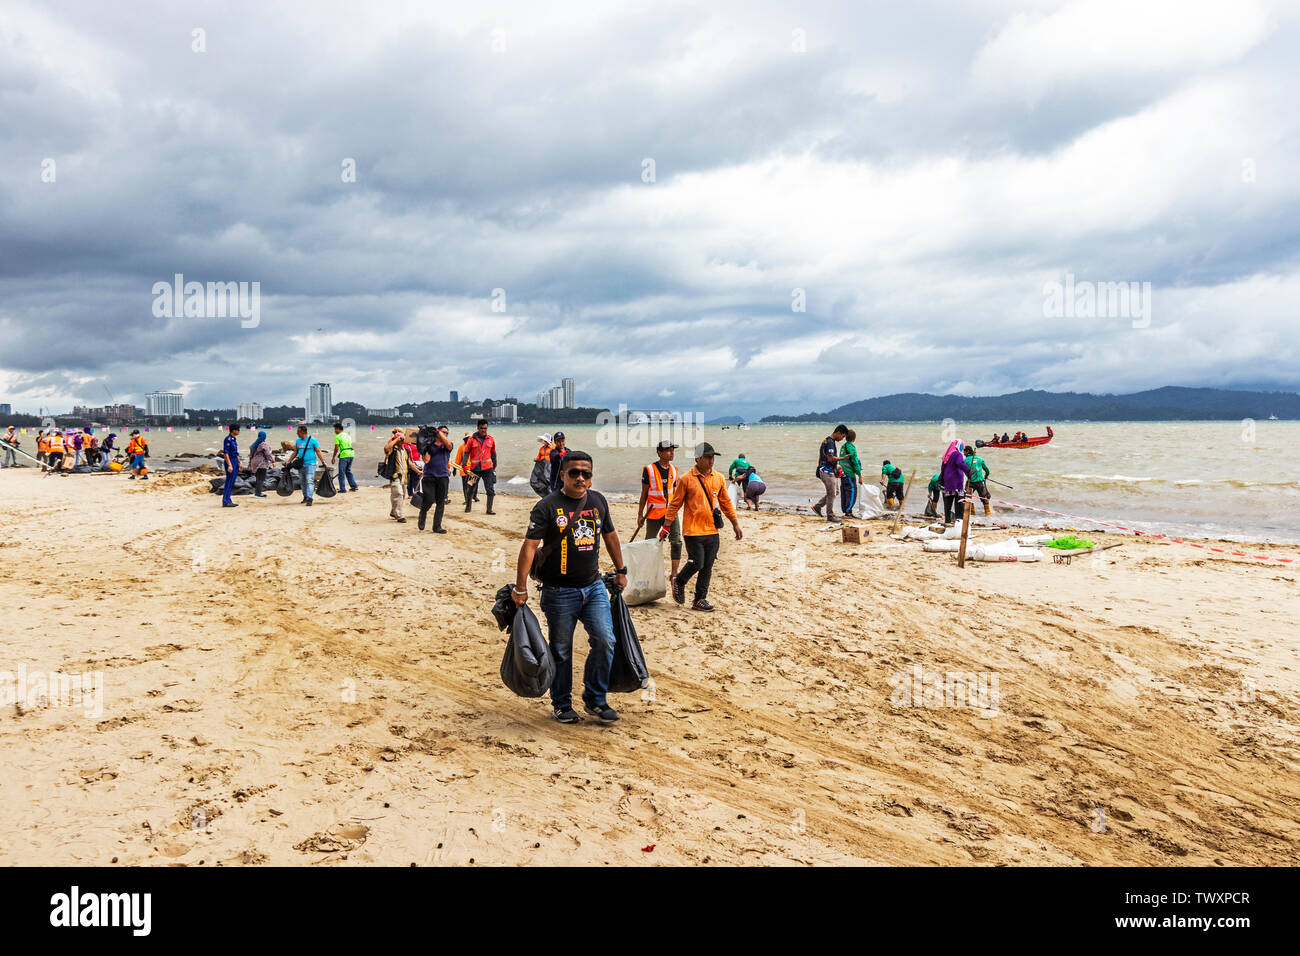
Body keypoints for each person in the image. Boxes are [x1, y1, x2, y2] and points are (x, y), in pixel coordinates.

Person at [513, 450, 627, 725]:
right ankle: (562, 704)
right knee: (561, 650)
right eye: (573, 472)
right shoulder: (547, 506)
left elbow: (610, 536)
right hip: (558, 592)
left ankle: (596, 699)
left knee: (605, 640)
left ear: (591, 477)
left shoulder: (598, 501)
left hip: (594, 586)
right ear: (562, 475)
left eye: (585, 473)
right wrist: (520, 587)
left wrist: (621, 570)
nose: (579, 478)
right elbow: (529, 546)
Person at [661, 442, 742, 612]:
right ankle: (679, 581)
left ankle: (699, 600)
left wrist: (735, 523)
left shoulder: (718, 478)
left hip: (712, 530)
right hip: (692, 530)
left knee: (708, 566)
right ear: (698, 458)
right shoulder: (686, 479)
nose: (711, 460)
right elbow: (675, 504)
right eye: (707, 457)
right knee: (697, 562)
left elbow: (726, 502)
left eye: (712, 457)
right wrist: (666, 526)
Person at [636, 440, 683, 582]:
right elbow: (644, 493)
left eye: (672, 450)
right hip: (653, 513)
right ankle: (646, 571)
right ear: (659, 452)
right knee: (649, 542)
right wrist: (640, 514)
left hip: (670, 513)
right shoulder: (649, 469)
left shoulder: (674, 470)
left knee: (676, 541)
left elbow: (674, 493)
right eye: (668, 450)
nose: (671, 453)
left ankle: (674, 574)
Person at [418, 425, 453, 532]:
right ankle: (423, 513)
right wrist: (422, 446)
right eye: (443, 432)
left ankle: (437, 526)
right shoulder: (429, 444)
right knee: (429, 499)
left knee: (440, 502)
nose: (445, 434)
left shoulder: (448, 445)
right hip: (429, 477)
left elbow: (449, 445)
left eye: (447, 433)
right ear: (437, 433)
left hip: (443, 477)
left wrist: (438, 432)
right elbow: (426, 460)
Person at [814, 425, 848, 523]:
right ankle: (830, 515)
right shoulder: (829, 442)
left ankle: (818, 506)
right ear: (838, 433)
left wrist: (818, 467)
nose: (842, 439)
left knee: (835, 492)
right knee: (831, 493)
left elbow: (821, 456)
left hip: (828, 470)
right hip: (826, 471)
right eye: (843, 436)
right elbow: (830, 458)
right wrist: (843, 458)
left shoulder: (828, 441)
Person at [463, 419, 497, 513]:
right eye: (481, 428)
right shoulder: (471, 440)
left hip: (488, 469)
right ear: (478, 428)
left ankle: (489, 510)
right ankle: (468, 507)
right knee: (470, 489)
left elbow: (493, 453)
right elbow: (466, 453)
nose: (483, 430)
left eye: (485, 428)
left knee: (490, 490)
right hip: (474, 470)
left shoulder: (491, 439)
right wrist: (464, 465)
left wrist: (494, 466)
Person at [287, 425, 326, 506]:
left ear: (303, 432)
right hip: (301, 464)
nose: (297, 433)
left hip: (311, 464)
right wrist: (289, 460)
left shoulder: (313, 440)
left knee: (309, 480)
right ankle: (305, 497)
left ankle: (309, 498)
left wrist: (323, 461)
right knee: (303, 481)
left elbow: (318, 451)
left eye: (298, 432)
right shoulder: (298, 441)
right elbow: (295, 452)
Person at [940, 439, 971, 525]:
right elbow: (960, 463)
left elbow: (942, 468)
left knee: (948, 503)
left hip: (948, 482)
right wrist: (968, 470)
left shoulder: (947, 455)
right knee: (959, 502)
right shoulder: (957, 454)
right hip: (957, 481)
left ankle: (947, 520)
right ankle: (959, 520)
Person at [383, 428, 409, 522]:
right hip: (395, 475)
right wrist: (397, 439)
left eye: (402, 440)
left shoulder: (406, 450)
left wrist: (418, 471)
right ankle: (399, 515)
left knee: (401, 495)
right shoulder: (392, 450)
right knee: (398, 493)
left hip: (404, 476)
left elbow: (408, 463)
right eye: (400, 440)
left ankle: (393, 512)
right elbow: (386, 448)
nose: (402, 441)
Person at [838, 428, 862, 517]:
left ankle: (845, 510)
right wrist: (859, 475)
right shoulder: (852, 448)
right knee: (852, 492)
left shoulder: (843, 447)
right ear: (854, 439)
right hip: (849, 474)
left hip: (842, 474)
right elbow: (855, 463)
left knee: (844, 492)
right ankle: (848, 511)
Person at [964, 443, 992, 515]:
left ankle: (972, 513)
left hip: (971, 482)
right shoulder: (980, 459)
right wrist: (986, 476)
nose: (963, 453)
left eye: (964, 451)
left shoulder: (965, 460)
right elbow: (987, 471)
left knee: (967, 497)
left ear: (967, 452)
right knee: (984, 498)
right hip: (980, 482)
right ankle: (988, 514)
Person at [332, 423, 358, 494]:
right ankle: (354, 486)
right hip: (351, 453)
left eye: (335, 429)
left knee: (342, 472)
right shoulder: (348, 435)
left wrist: (333, 457)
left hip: (344, 455)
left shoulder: (337, 436)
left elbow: (336, 448)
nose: (334, 431)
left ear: (338, 429)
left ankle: (342, 489)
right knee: (348, 471)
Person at [453, 432, 477, 504]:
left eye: (471, 438)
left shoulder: (475, 446)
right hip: (464, 469)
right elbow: (458, 458)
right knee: (465, 485)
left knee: (473, 484)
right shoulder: (462, 447)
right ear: (465, 439)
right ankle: (467, 500)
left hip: (474, 469)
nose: (469, 439)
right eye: (468, 438)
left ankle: (474, 497)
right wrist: (455, 469)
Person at [248, 430, 273, 497]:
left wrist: (249, 462)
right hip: (261, 463)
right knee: (261, 478)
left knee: (257, 478)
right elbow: (268, 454)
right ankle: (258, 494)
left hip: (254, 463)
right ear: (264, 437)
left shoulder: (253, 444)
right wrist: (273, 461)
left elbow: (251, 455)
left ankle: (257, 493)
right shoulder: (263, 444)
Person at [221, 424, 241, 507]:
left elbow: (236, 452)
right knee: (229, 481)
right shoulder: (228, 439)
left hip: (235, 460)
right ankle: (225, 501)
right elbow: (226, 453)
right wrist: (229, 465)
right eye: (238, 429)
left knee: (232, 481)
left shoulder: (234, 439)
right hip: (230, 461)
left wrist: (239, 463)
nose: (239, 431)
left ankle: (228, 499)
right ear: (233, 430)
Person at [404, 429, 422, 499]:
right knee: (409, 480)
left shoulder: (415, 444)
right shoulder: (404, 444)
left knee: (417, 478)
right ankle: (410, 494)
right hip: (408, 464)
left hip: (416, 463)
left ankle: (417, 493)